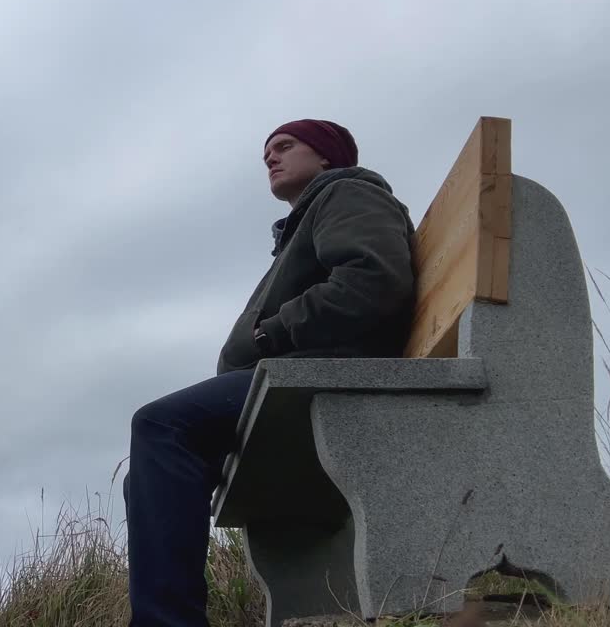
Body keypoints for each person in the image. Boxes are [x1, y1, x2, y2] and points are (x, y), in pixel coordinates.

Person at [122, 119, 417, 626]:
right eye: (266, 155)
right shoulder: (306, 221)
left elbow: (373, 280)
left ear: (326, 156)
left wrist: (270, 334)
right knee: (150, 469)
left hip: (329, 374)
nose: (272, 160)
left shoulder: (347, 193)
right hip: (299, 375)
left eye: (284, 147)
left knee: (162, 425)